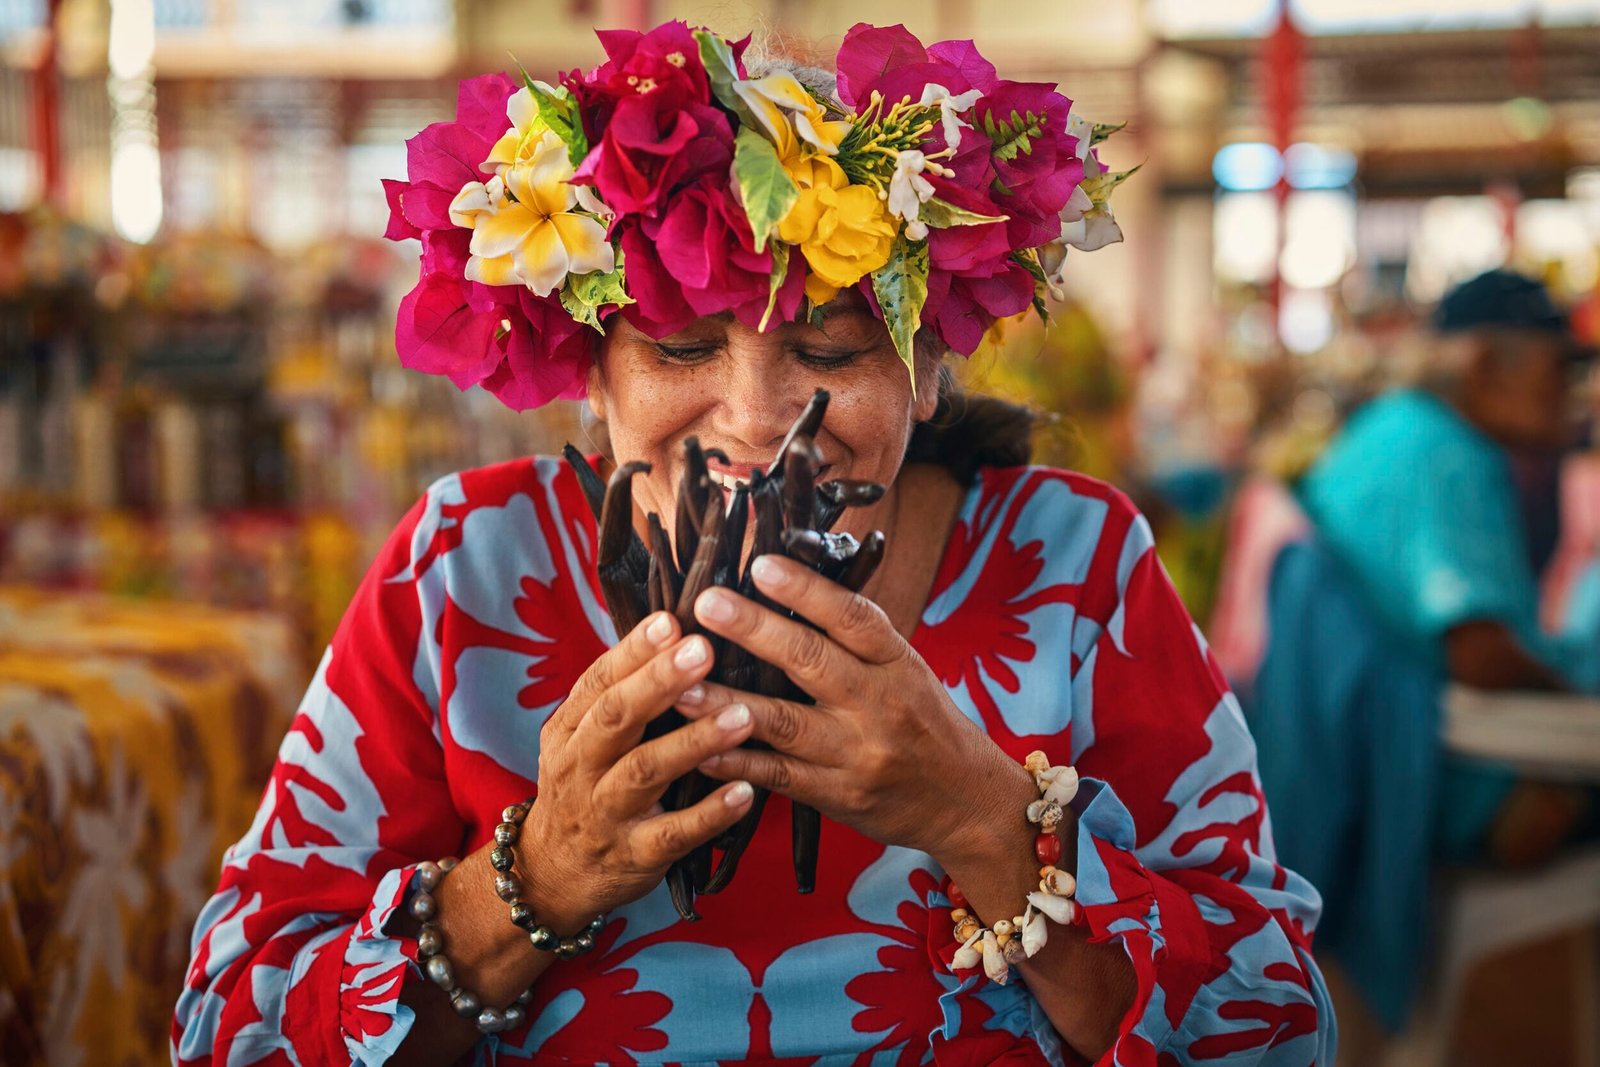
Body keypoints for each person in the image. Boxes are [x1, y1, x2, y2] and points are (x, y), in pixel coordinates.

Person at [173, 22, 1333, 1065]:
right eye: (681, 348)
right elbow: (232, 1027)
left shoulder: (1074, 561)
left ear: (929, 367)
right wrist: (535, 879)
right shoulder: (462, 565)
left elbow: (1276, 1026)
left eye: (829, 351)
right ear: (590, 376)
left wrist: (984, 820)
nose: (757, 418)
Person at [1248, 269, 1598, 1033]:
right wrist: (1577, 698)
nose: (1572, 392)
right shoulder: (1446, 451)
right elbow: (1481, 654)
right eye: (1560, 368)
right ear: (1486, 366)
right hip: (1442, 784)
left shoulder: (1394, 430)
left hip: (1373, 765)